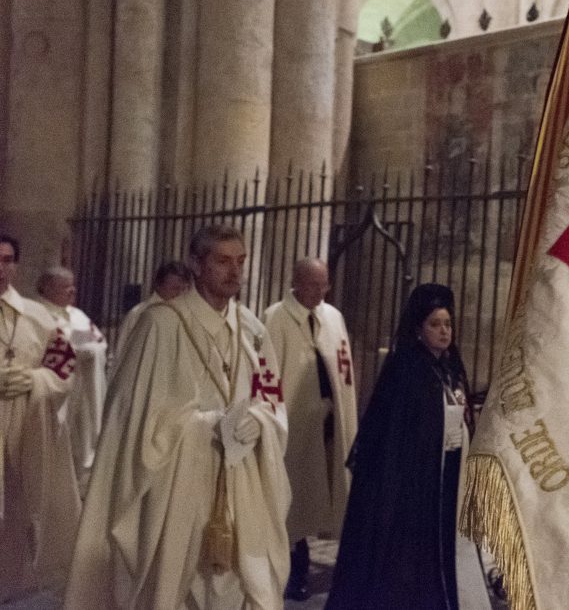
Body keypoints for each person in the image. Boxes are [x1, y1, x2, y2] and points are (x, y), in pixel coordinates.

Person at [65, 224, 291, 609]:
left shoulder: (251, 328)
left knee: (238, 586)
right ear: (196, 264)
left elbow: (271, 399)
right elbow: (131, 422)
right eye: (222, 261)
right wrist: (204, 426)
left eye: (240, 261)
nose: (235, 272)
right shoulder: (160, 324)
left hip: (240, 482)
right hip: (174, 488)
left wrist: (263, 421)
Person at [326, 283, 490, 610]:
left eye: (448, 324)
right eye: (435, 324)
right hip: (408, 486)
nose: (444, 332)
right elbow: (394, 434)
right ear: (418, 329)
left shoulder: (451, 367)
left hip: (444, 479)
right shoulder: (406, 369)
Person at [263, 258, 357, 601]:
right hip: (297, 423)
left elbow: (342, 369)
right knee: (296, 494)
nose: (321, 292)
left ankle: (336, 564)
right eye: (314, 285)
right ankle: (295, 569)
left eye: (325, 285)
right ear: (296, 282)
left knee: (332, 488)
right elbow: (269, 373)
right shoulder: (274, 319)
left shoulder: (333, 318)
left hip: (331, 421)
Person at [0, 235, 81, 603]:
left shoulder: (39, 316)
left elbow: (65, 370)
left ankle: (11, 578)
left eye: (7, 259)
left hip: (24, 424)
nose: (1, 267)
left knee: (17, 501)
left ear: (16, 265)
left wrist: (35, 380)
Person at [37, 266, 108, 493]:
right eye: (64, 286)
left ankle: (80, 478)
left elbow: (100, 341)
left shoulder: (78, 315)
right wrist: (77, 350)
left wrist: (92, 349)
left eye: (72, 285)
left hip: (83, 385)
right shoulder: (36, 313)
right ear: (46, 288)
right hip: (54, 385)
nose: (72, 291)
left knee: (82, 432)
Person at [114, 259, 192, 358]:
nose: (180, 294)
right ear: (158, 286)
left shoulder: (189, 315)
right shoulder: (138, 314)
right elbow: (122, 352)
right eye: (175, 288)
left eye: (185, 289)